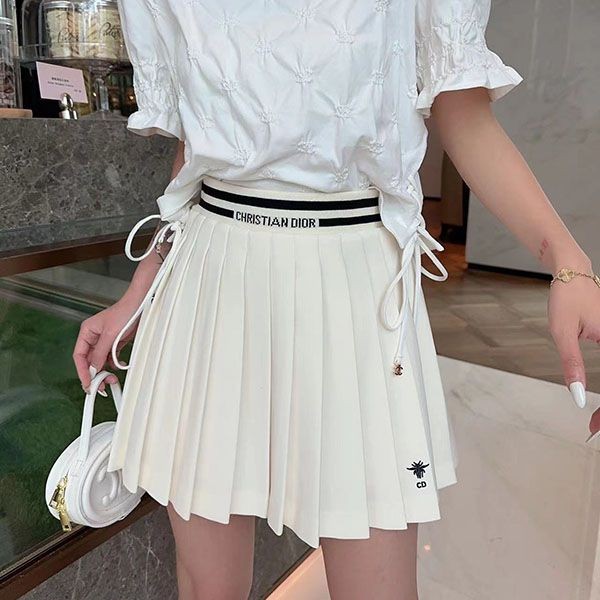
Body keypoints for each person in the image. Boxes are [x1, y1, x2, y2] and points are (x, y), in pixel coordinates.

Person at [72, 1, 600, 598]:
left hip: (355, 286)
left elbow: (464, 115)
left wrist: (567, 260)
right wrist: (139, 294)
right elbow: (197, 157)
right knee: (207, 586)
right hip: (208, 281)